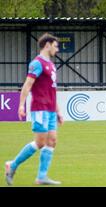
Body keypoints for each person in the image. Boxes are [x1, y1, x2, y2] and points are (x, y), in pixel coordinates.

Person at [5, 33, 63, 185]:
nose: (57, 50)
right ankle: (13, 165)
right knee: (40, 142)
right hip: (40, 108)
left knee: (52, 141)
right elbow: (28, 84)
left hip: (50, 109)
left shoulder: (51, 65)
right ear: (47, 45)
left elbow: (53, 90)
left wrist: (58, 111)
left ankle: (41, 177)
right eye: (56, 46)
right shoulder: (37, 63)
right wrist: (21, 104)